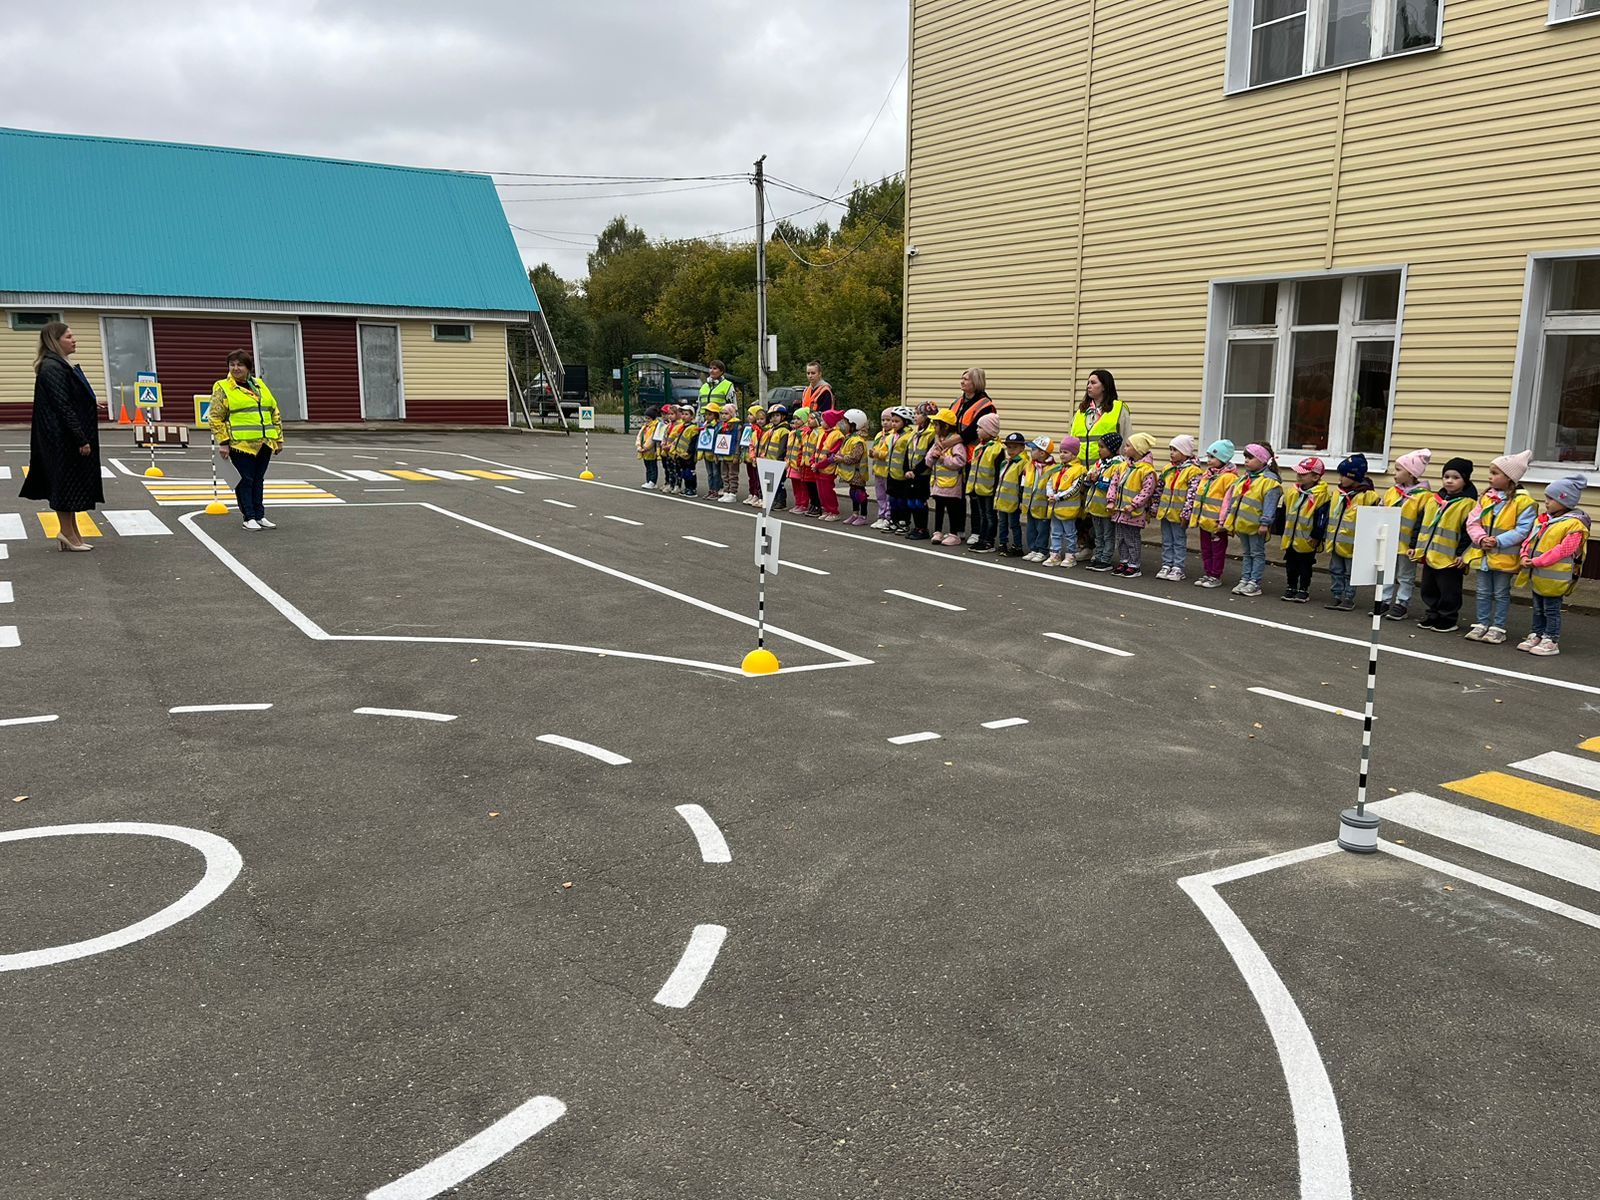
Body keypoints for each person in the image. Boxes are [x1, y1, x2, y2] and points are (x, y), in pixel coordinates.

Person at [20, 321, 103, 551]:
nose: (74, 339)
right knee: (65, 485)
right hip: (61, 439)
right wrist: (81, 439)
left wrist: (91, 403)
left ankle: (72, 533)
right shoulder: (52, 367)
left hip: (61, 436)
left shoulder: (59, 365)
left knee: (70, 485)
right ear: (56, 341)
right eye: (68, 336)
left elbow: (69, 398)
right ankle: (67, 533)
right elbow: (63, 406)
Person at [1463, 449, 1536, 644]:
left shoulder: (1524, 502)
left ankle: (1497, 627)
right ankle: (1481, 624)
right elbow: (1472, 521)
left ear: (1510, 477)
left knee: (1501, 593)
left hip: (1504, 557)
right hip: (1484, 555)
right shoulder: (1486, 497)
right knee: (1483, 591)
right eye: (1491, 472)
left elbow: (1523, 530)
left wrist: (1498, 541)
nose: (1490, 477)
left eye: (1495, 473)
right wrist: (1480, 539)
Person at [211, 349, 284, 530]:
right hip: (240, 444)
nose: (235, 368)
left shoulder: (259, 384)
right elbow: (215, 417)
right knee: (245, 480)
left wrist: (279, 439)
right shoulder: (222, 387)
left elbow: (273, 411)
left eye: (240, 365)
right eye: (232, 365)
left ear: (248, 367)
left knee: (258, 480)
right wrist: (223, 442)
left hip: (264, 443)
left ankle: (260, 515)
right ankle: (248, 517)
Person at [1518, 473, 1589, 656]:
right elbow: (1529, 539)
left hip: (1555, 577)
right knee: (1538, 607)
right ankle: (1537, 633)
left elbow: (1563, 550)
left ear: (1565, 501)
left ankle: (1551, 639)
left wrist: (1536, 561)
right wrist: (1524, 554)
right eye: (1546, 498)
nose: (1547, 502)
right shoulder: (1543, 520)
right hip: (1539, 575)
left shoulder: (1574, 525)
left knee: (1551, 609)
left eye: (1551, 498)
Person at [1413, 458, 1477, 632]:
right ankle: (1432, 614)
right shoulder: (1433, 500)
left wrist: (1462, 554)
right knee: (1428, 587)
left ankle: (1448, 618)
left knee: (1449, 590)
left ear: (1465, 480)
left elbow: (1467, 532)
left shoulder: (1468, 504)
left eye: (1455, 477)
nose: (1449, 480)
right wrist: (1414, 545)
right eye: (1446, 476)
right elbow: (1420, 524)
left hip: (1450, 558)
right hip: (1430, 553)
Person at [1222, 442, 1282, 597]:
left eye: (1250, 458)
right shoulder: (1245, 479)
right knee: (1247, 553)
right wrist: (1230, 519)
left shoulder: (1269, 482)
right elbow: (1235, 500)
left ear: (1262, 460)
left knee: (1257, 553)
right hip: (1242, 523)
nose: (1246, 461)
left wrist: (1265, 523)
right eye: (1245, 458)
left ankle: (1254, 582)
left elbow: (1270, 505)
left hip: (1256, 525)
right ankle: (1245, 578)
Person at [1379, 449, 1433, 619]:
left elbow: (1422, 522)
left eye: (1398, 470)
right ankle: (1384, 600)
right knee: (1386, 572)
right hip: (1389, 541)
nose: (1394, 474)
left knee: (1405, 575)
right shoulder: (1391, 492)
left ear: (1411, 473)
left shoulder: (1424, 496)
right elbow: (1381, 509)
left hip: (1406, 544)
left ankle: (1401, 603)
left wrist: (1416, 545)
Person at [1322, 454, 1377, 610]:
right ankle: (1337, 595)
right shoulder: (1337, 493)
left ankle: (1348, 597)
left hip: (1353, 544)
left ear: (1354, 476)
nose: (1340, 479)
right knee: (1335, 570)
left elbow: (1371, 521)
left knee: (1350, 572)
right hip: (1335, 541)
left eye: (1343, 475)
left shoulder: (1368, 496)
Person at [1279, 457, 1329, 603]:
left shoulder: (1321, 495)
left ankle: (1303, 589)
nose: (1299, 476)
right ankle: (1291, 586)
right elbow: (1284, 511)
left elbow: (1321, 518)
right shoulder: (1292, 491)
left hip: (1307, 539)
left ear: (1315, 477)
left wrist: (1316, 536)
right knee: (1291, 564)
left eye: (1303, 474)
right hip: (1291, 537)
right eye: (1298, 473)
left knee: (1305, 565)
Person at [1108, 431, 1159, 577]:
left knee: (1132, 538)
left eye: (1128, 446)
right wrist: (1111, 500)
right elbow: (1114, 483)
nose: (1125, 448)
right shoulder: (1123, 466)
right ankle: (1124, 561)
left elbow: (1147, 491)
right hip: (1119, 510)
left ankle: (1134, 565)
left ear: (1138, 450)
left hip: (1133, 512)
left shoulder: (1146, 470)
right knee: (1121, 538)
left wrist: (1134, 504)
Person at [1190, 439, 1238, 589]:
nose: (1209, 461)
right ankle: (1208, 572)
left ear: (1223, 459)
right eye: (1208, 457)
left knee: (1217, 550)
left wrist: (1223, 522)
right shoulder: (1208, 475)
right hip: (1205, 520)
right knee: (1206, 549)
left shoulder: (1229, 478)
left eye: (1213, 457)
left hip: (1217, 522)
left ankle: (1215, 575)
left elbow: (1228, 502)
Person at [1154, 435, 1200, 581]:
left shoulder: (1193, 471)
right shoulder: (1168, 469)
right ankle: (1167, 564)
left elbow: (1192, 495)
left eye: (1175, 450)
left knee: (1178, 540)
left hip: (1179, 513)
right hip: (1166, 511)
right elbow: (1159, 489)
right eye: (1171, 449)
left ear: (1185, 452)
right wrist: (1155, 507)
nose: (1171, 453)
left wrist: (1186, 514)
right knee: (1167, 540)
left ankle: (1178, 567)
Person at [1065, 368, 1130, 467]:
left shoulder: (1118, 409)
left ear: (1104, 386)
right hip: (1079, 471)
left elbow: (1126, 439)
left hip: (1107, 471)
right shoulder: (1081, 411)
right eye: (1088, 383)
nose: (1088, 386)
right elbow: (1071, 442)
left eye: (1093, 383)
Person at [1082, 431, 1125, 572]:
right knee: (1097, 534)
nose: (1099, 450)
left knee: (1108, 534)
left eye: (1102, 447)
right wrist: (1089, 478)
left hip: (1106, 507)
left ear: (1112, 448)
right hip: (1094, 505)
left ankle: (1106, 559)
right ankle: (1098, 555)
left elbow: (1114, 486)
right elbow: (1089, 478)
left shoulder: (1118, 465)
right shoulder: (1099, 463)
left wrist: (1097, 480)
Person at [926, 408, 969, 545]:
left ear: (945, 426)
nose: (934, 427)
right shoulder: (938, 441)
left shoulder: (956, 444)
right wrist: (932, 456)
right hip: (938, 484)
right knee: (938, 508)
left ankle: (954, 533)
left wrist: (944, 459)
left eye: (937, 424)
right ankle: (937, 531)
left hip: (951, 484)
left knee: (952, 510)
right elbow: (928, 460)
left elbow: (960, 461)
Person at [1044, 434, 1086, 567]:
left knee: (1070, 533)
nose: (1062, 455)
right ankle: (1054, 554)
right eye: (1061, 451)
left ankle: (1070, 555)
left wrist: (1058, 496)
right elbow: (1050, 482)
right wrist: (1050, 493)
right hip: (1055, 507)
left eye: (1066, 452)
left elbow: (1075, 488)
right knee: (1055, 532)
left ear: (1074, 454)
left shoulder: (1079, 470)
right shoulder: (1058, 468)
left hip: (1069, 509)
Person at [965, 413, 1005, 551]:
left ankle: (989, 540)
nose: (977, 430)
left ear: (989, 430)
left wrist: (995, 489)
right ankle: (982, 538)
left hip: (989, 489)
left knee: (989, 515)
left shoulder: (997, 449)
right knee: (982, 514)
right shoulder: (979, 447)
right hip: (978, 488)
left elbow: (998, 471)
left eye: (980, 427)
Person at [905, 403, 937, 540]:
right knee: (911, 501)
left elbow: (928, 457)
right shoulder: (915, 433)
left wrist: (916, 471)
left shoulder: (931, 434)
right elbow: (908, 452)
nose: (915, 416)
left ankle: (923, 528)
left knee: (920, 501)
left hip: (922, 474)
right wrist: (906, 469)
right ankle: (916, 526)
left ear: (926, 416)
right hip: (911, 473)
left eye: (918, 413)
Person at [835, 409, 871, 525]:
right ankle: (855, 513)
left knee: (860, 494)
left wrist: (842, 458)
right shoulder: (849, 438)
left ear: (854, 424)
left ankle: (863, 515)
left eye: (846, 423)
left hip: (858, 473)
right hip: (851, 473)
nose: (844, 425)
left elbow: (855, 457)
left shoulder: (858, 441)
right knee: (853, 493)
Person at [994, 432, 1028, 558]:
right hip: (1002, 500)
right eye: (1009, 447)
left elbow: (1022, 484)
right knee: (1002, 523)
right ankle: (1003, 543)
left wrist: (1021, 500)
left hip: (1013, 501)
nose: (1011, 450)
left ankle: (1017, 546)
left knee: (1014, 524)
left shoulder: (1023, 463)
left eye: (1014, 447)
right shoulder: (1006, 462)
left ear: (1022, 448)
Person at [882, 406, 915, 533]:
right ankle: (894, 520)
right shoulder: (891, 436)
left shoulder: (908, 437)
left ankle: (904, 521)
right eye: (893, 421)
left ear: (906, 422)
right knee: (893, 499)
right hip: (891, 473)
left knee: (902, 500)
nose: (893, 424)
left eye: (897, 421)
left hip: (902, 475)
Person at [1022, 437, 1056, 562]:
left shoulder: (1053, 468)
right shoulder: (1030, 466)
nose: (1031, 451)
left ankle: (1042, 550)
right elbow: (1024, 482)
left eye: (1033, 449)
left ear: (1042, 453)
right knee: (1030, 528)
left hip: (1043, 505)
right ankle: (1033, 549)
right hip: (1030, 503)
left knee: (1042, 529)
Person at [812, 409, 846, 521]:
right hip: (818, 468)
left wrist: (819, 465)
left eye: (823, 420)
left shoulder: (837, 435)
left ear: (830, 422)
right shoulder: (822, 433)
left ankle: (833, 511)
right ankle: (826, 510)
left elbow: (832, 456)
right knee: (821, 492)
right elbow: (815, 450)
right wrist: (813, 462)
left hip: (827, 469)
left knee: (828, 491)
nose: (821, 423)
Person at [952, 368, 997, 448]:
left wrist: (947, 443)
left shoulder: (986, 406)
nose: (962, 382)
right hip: (954, 452)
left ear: (976, 382)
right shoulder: (958, 402)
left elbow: (972, 432)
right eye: (962, 379)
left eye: (965, 379)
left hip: (973, 453)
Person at [759, 405, 792, 510]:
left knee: (779, 483)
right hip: (770, 461)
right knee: (772, 483)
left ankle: (781, 502)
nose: (774, 418)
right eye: (772, 416)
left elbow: (782, 448)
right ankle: (775, 500)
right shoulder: (772, 429)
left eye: (777, 415)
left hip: (778, 462)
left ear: (783, 417)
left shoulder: (784, 431)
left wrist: (779, 461)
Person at [786, 407, 815, 513]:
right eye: (794, 419)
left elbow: (805, 449)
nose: (796, 421)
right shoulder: (793, 432)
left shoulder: (805, 433)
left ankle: (803, 504)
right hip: (792, 464)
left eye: (799, 419)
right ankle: (798, 503)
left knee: (802, 486)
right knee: (795, 485)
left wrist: (799, 462)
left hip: (799, 464)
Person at [869, 408, 895, 527]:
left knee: (888, 495)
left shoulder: (893, 435)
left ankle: (888, 516)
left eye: (888, 420)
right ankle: (881, 515)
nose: (885, 422)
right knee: (880, 495)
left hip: (887, 471)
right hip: (878, 470)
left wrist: (878, 454)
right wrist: (872, 452)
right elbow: (875, 448)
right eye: (883, 420)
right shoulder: (880, 434)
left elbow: (890, 453)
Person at [714, 403, 743, 503]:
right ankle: (726, 491)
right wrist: (716, 454)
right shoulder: (721, 426)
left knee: (732, 474)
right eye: (722, 413)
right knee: (724, 474)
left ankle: (732, 493)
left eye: (726, 413)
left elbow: (738, 441)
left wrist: (736, 454)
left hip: (732, 455)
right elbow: (717, 440)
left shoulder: (736, 426)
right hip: (722, 455)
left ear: (732, 414)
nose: (723, 416)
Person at [699, 402, 726, 499]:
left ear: (715, 415)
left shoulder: (718, 426)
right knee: (710, 473)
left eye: (710, 414)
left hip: (714, 453)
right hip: (706, 453)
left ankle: (717, 490)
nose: (707, 416)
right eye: (706, 414)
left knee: (716, 473)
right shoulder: (705, 425)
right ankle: (711, 490)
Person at [741, 406, 766, 506]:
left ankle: (757, 494)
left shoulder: (759, 429)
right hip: (749, 456)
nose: (749, 416)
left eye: (751, 414)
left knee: (757, 477)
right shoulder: (748, 427)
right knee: (751, 476)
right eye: (748, 414)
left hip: (757, 457)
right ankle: (751, 493)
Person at [636, 405, 663, 489]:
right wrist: (638, 445)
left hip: (651, 450)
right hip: (644, 450)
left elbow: (652, 439)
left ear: (653, 418)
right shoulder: (645, 427)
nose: (647, 420)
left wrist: (645, 448)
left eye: (648, 418)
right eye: (646, 418)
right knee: (647, 466)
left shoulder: (655, 427)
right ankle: (648, 481)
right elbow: (639, 436)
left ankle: (653, 481)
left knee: (652, 466)